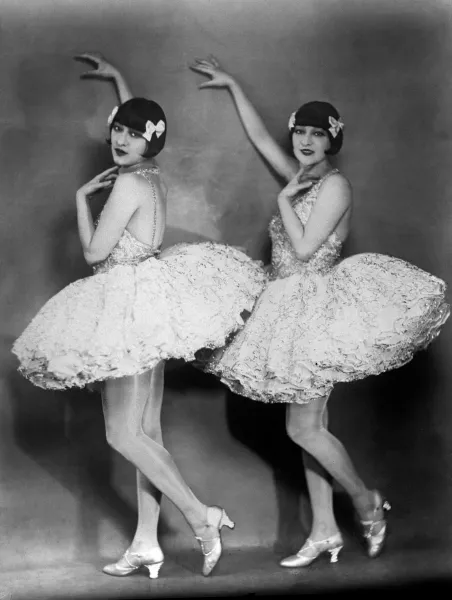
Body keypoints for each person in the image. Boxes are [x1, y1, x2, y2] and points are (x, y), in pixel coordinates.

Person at [12, 54, 267, 579]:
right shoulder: (152, 175)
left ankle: (202, 516)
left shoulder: (127, 183)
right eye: (118, 130)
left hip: (127, 304)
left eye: (132, 133)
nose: (120, 140)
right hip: (147, 297)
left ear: (150, 141)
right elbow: (136, 131)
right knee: (146, 433)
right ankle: (147, 543)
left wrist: (83, 201)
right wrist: (120, 84)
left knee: (122, 436)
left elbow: (93, 255)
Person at [189, 56, 450, 567]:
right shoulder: (305, 176)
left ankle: (365, 499)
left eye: (316, 134)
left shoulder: (333, 186)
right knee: (311, 426)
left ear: (333, 140)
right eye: (300, 132)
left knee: (302, 428)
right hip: (285, 306)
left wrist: (285, 195)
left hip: (315, 308)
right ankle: (326, 530)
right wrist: (233, 86)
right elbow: (264, 142)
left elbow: (306, 248)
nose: (305, 141)